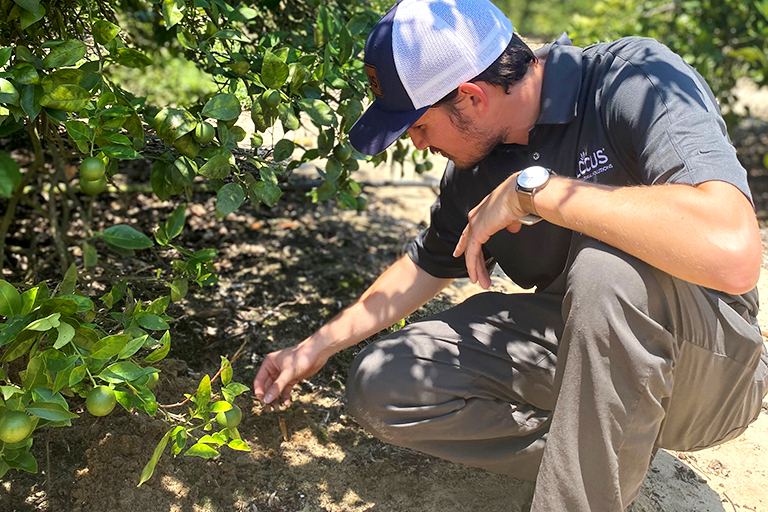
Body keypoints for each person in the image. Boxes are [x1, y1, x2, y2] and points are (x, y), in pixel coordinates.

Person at [253, 0, 768, 509]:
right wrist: (315, 347)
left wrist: (535, 193)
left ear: (471, 97)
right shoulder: (476, 167)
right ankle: (607, 454)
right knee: (385, 381)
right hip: (586, 358)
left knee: (605, 269)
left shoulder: (632, 79)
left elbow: (734, 251)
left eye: (419, 125)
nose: (416, 143)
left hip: (711, 369)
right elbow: (426, 265)